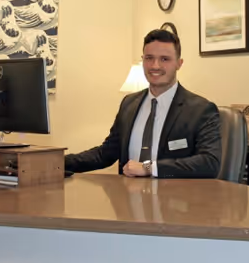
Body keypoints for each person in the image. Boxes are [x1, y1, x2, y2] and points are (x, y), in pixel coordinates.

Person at [65, 29, 222, 178]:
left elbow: (209, 162)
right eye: (149, 58)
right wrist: (56, 163)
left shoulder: (200, 109)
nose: (155, 66)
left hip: (174, 201)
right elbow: (105, 154)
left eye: (164, 59)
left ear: (179, 63)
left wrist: (150, 168)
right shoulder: (129, 103)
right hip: (128, 199)